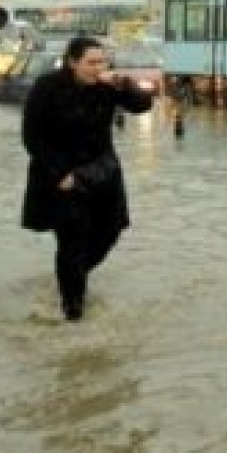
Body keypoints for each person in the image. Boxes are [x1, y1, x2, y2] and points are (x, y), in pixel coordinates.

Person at [20, 36, 154, 321]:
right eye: (90, 63)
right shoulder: (47, 88)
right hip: (61, 175)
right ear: (72, 62)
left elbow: (143, 106)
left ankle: (72, 277)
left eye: (101, 62)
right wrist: (60, 174)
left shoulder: (107, 86)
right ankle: (73, 310)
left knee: (111, 230)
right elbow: (32, 138)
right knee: (71, 240)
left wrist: (123, 83)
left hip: (102, 172)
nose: (97, 68)